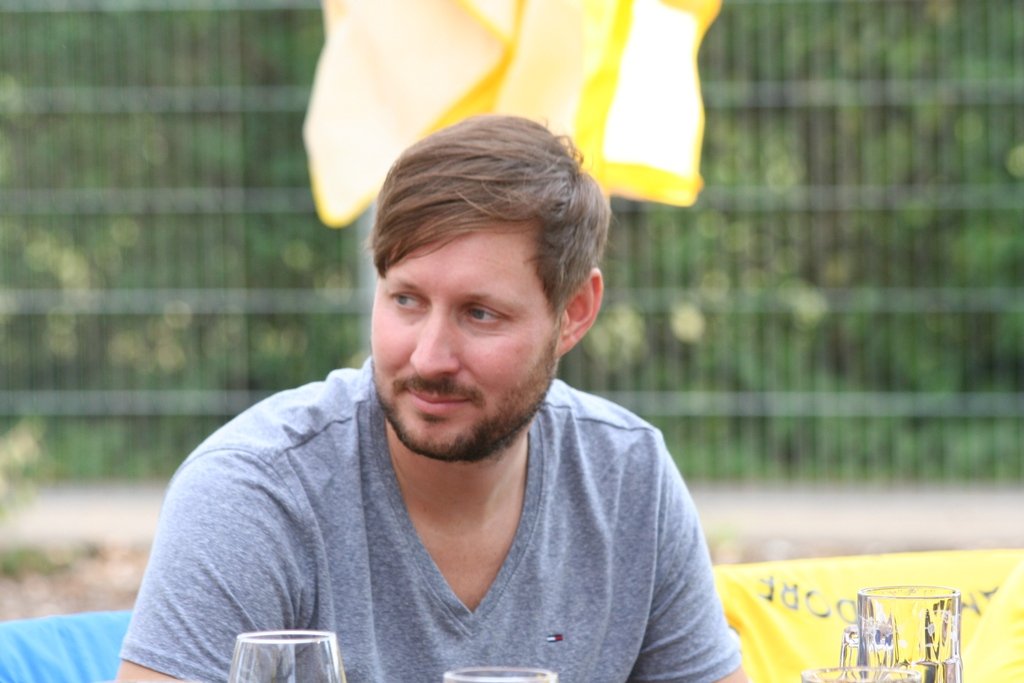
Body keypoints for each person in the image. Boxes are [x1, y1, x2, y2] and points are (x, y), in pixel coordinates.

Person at [117, 114, 747, 683]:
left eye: (480, 313)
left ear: (574, 312)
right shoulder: (256, 492)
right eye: (407, 300)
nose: (428, 357)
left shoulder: (627, 480)